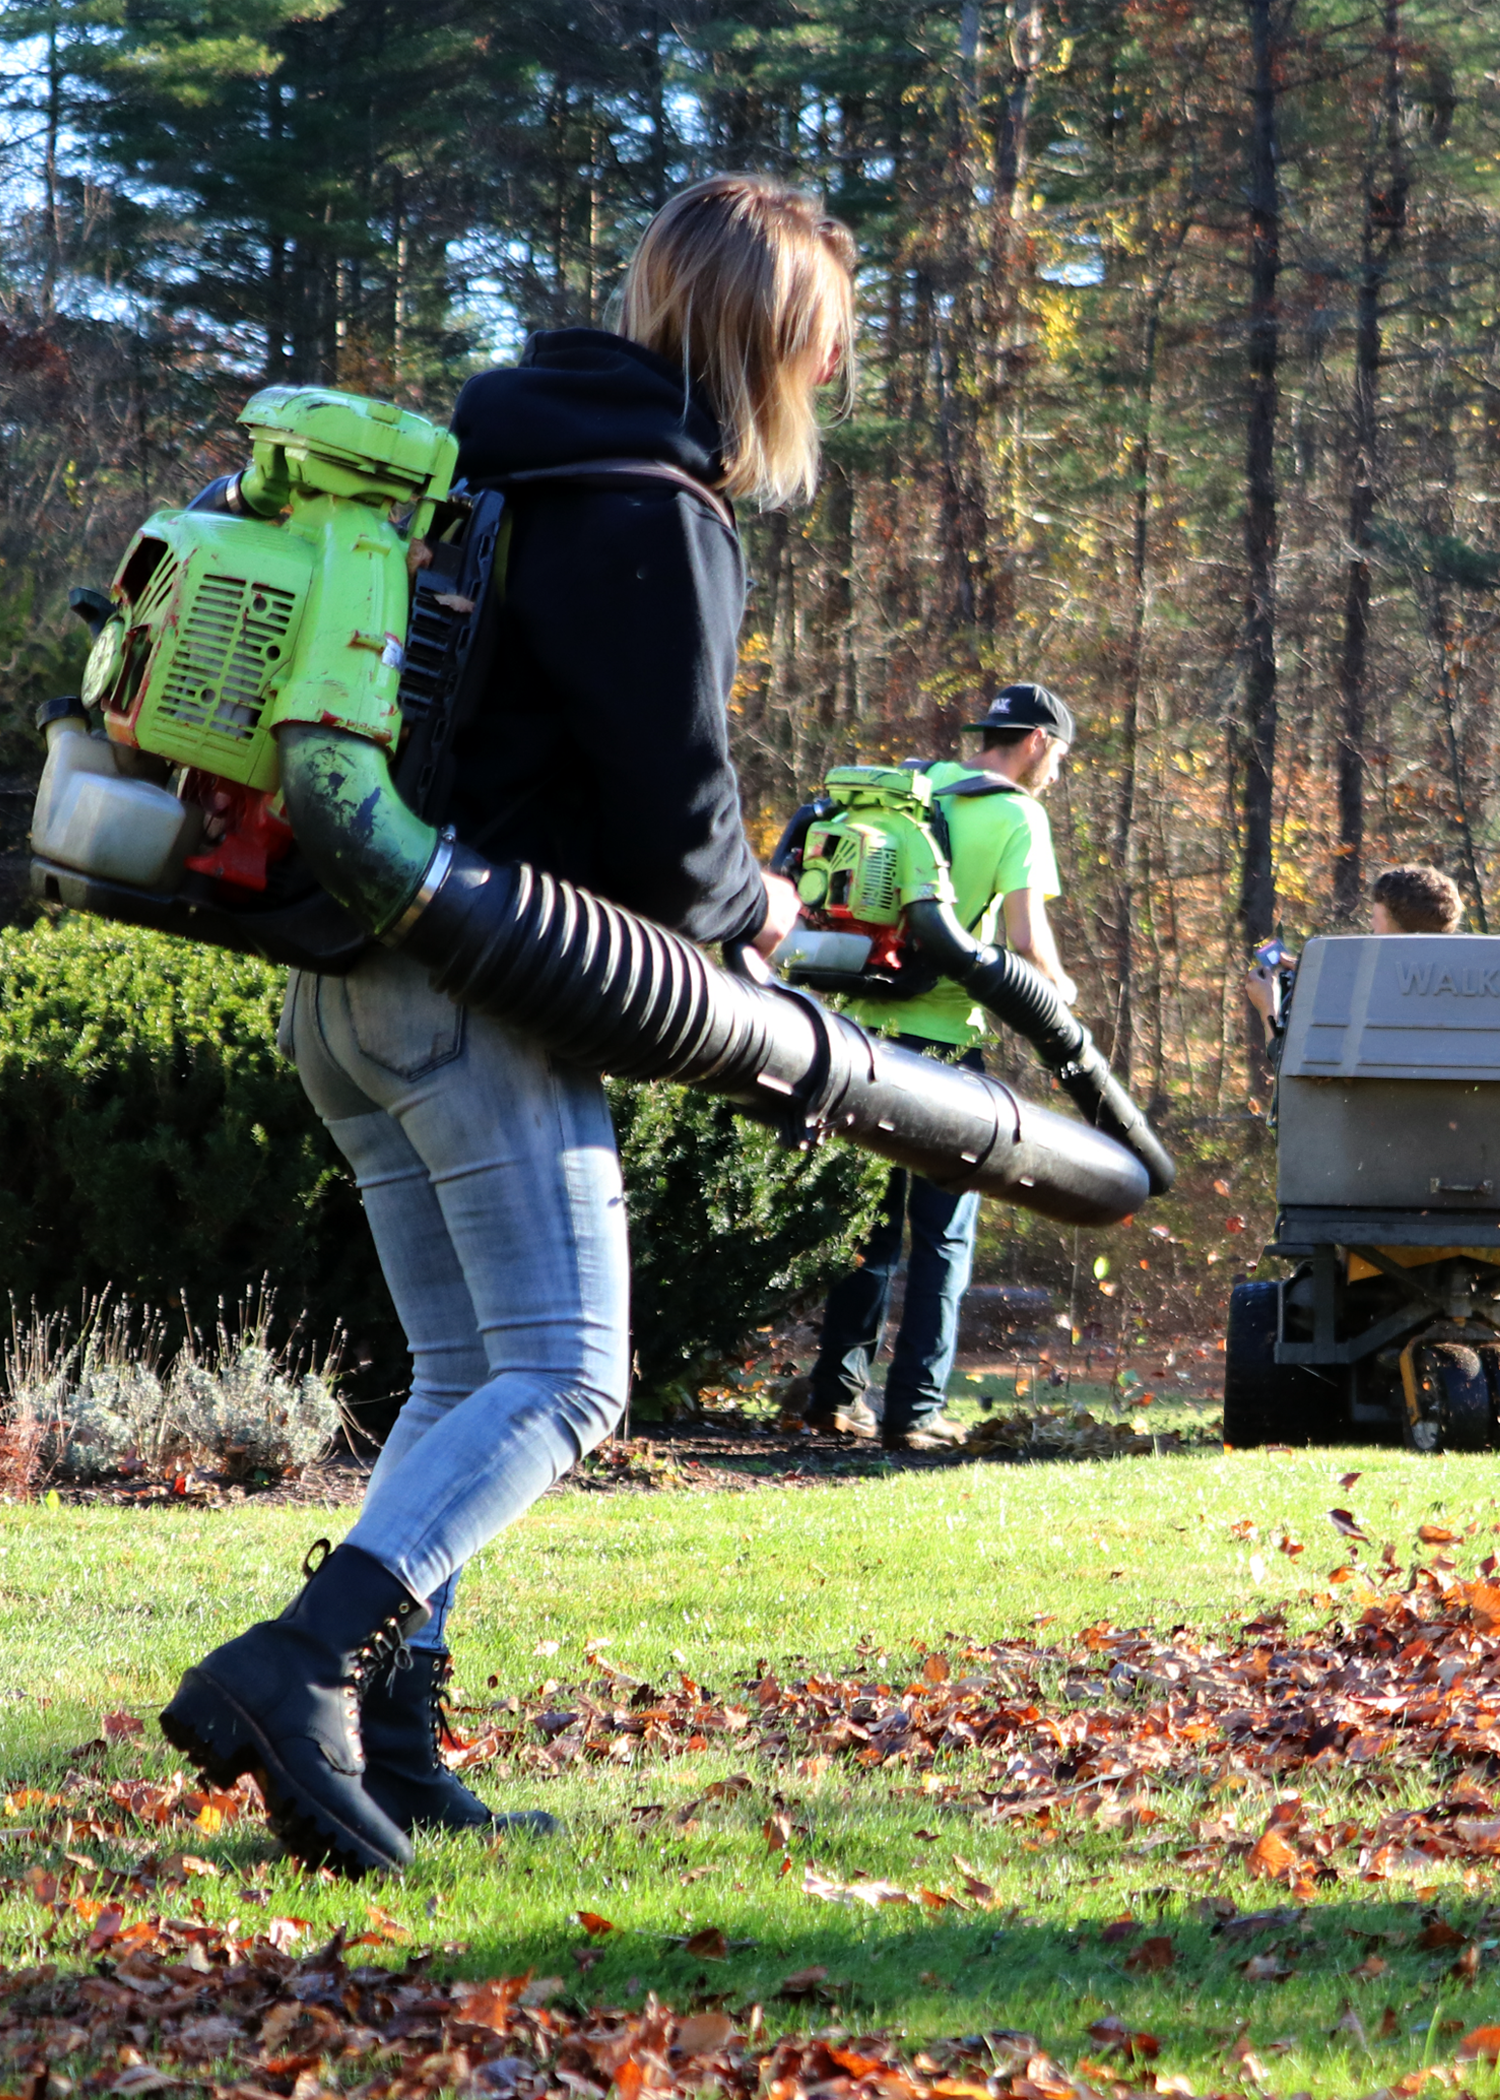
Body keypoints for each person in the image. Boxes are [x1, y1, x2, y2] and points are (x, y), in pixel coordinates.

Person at [160, 174, 855, 1876]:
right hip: (483, 988)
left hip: (356, 982)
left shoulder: (502, 459)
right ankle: (305, 1664)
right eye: (820, 354)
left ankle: (392, 1736)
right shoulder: (649, 503)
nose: (822, 389)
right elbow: (668, 806)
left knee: (466, 1371)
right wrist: (752, 910)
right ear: (770, 344)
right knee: (566, 1375)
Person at [787, 681, 1076, 1454]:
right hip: (943, 1044)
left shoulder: (912, 792)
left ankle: (833, 1398)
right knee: (942, 1234)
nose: (1055, 773)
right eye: (1059, 757)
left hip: (857, 1039)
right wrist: (1064, 996)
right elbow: (1025, 939)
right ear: (1039, 742)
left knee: (870, 1231)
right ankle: (914, 1412)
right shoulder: (1018, 813)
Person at [1245, 861, 1464, 1047]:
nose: (1371, 927)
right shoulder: (1463, 987)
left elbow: (1294, 1074)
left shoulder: (1370, 999)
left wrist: (1268, 1007)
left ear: (1397, 934)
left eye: (1376, 920)